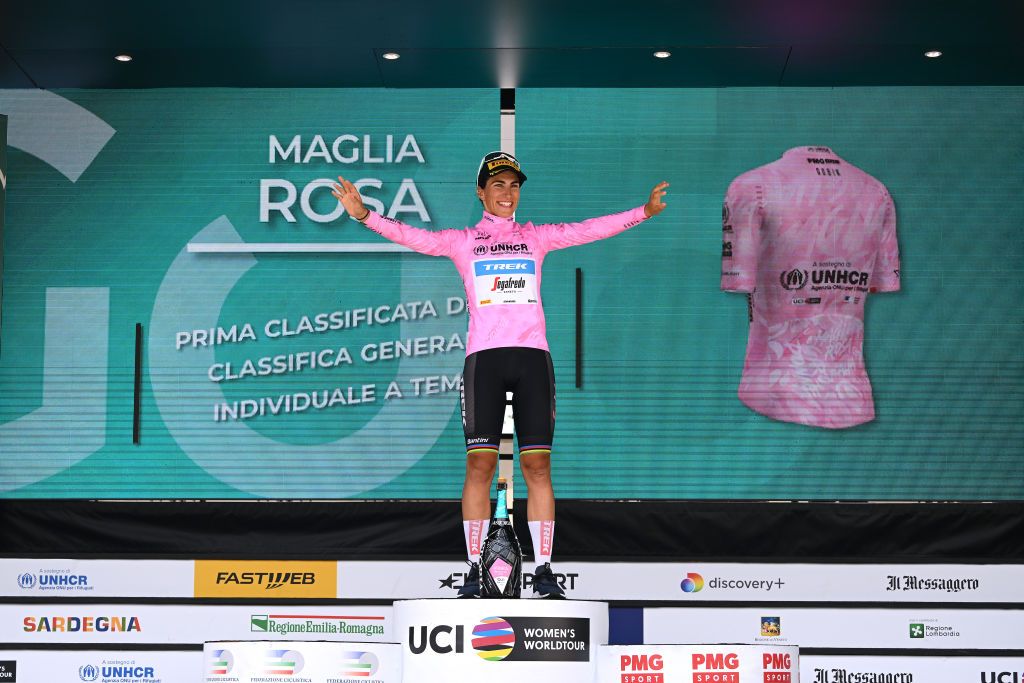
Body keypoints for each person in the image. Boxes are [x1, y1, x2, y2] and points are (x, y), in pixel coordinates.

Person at [332, 151, 668, 598]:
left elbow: (590, 229)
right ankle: (474, 570)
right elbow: (413, 237)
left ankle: (544, 570)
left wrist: (642, 213)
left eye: (514, 185)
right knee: (479, 464)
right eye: (497, 185)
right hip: (484, 361)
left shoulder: (537, 237)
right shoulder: (462, 241)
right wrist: (365, 216)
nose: (507, 193)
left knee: (537, 465)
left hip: (532, 358)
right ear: (481, 192)